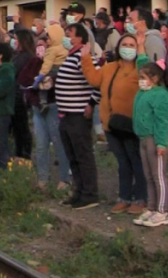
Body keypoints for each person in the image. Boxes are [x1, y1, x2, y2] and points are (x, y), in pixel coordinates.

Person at [82, 33, 148, 216]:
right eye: (124, 44)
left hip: (132, 124)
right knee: (122, 162)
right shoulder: (110, 68)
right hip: (111, 123)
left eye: (131, 45)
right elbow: (94, 80)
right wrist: (85, 59)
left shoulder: (141, 68)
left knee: (136, 162)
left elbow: (148, 78)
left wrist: (142, 49)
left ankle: (141, 198)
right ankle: (124, 197)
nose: (127, 47)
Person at [18, 31, 71, 191]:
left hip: (53, 106)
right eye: (39, 45)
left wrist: (48, 80)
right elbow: (23, 79)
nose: (41, 48)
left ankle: (64, 178)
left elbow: (59, 80)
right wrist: (37, 81)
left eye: (44, 44)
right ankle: (42, 179)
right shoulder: (34, 62)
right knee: (41, 145)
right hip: (37, 108)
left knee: (58, 143)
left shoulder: (59, 61)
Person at [57, 24, 100, 210]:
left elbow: (97, 82)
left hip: (78, 115)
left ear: (80, 38)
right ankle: (79, 190)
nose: (66, 38)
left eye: (70, 35)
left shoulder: (84, 57)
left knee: (83, 155)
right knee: (72, 156)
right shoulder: (71, 57)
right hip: (66, 114)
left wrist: (91, 103)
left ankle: (90, 194)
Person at [133, 60, 168, 227]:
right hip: (143, 138)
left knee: (158, 176)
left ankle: (162, 210)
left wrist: (161, 143)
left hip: (154, 139)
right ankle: (151, 207)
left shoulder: (161, 96)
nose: (141, 80)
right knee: (149, 176)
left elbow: (162, 122)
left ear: (155, 78)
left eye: (144, 77)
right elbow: (142, 63)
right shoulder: (145, 93)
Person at [9, 32, 33, 159]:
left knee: (21, 126)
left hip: (19, 95)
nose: (14, 41)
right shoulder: (18, 55)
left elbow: (13, 70)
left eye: (16, 39)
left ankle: (24, 153)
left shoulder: (25, 57)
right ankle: (20, 151)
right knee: (17, 127)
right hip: (16, 94)